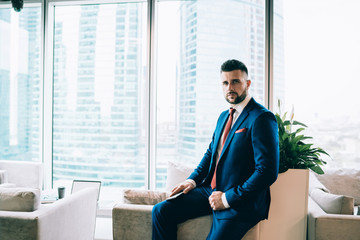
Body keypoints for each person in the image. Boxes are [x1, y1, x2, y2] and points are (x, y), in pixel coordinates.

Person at [152, 59, 279, 240]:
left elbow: (266, 172)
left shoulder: (262, 118)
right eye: (225, 83)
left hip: (240, 201)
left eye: (235, 81)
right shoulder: (223, 117)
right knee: (161, 211)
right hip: (209, 191)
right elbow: (212, 153)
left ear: (247, 83)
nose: (230, 87)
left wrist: (227, 199)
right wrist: (192, 181)